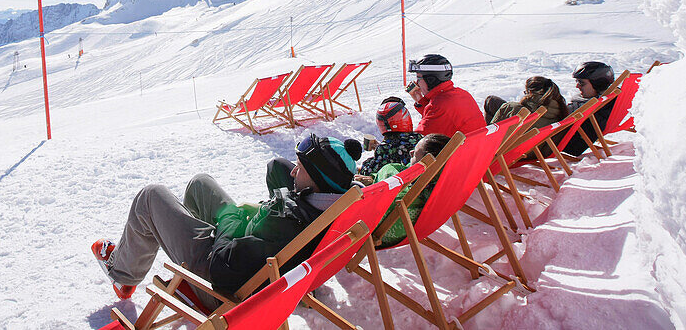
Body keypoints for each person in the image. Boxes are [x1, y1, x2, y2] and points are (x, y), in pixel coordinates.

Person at [91, 133, 363, 304]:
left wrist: (229, 219)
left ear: (316, 181)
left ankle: (123, 276)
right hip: (245, 251)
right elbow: (281, 183)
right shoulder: (330, 206)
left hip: (220, 282)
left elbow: (224, 266)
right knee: (201, 184)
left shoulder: (288, 220)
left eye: (300, 169)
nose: (293, 174)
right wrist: (247, 219)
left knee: (150, 196)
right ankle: (187, 244)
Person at [370, 133, 451, 246]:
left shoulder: (402, 197)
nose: (410, 152)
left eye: (415, 154)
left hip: (381, 233)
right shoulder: (440, 183)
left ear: (429, 162)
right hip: (415, 230)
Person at [406, 54, 485, 137]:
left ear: (431, 80)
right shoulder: (462, 94)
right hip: (475, 147)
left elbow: (418, 140)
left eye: (419, 78)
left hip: (461, 149)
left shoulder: (440, 105)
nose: (417, 83)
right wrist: (420, 100)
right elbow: (439, 120)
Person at [358, 96, 423, 178]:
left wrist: (369, 160)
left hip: (401, 187)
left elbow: (368, 172)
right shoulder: (418, 139)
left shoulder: (384, 149)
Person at [561, 61, 616, 157]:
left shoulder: (593, 108)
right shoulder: (610, 101)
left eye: (581, 83)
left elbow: (575, 148)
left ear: (598, 84)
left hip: (567, 143)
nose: (577, 86)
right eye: (577, 82)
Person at [483, 76, 569, 129]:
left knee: (491, 101)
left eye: (526, 92)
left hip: (517, 151)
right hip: (541, 149)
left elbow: (491, 136)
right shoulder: (561, 112)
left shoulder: (514, 109)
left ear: (530, 93)